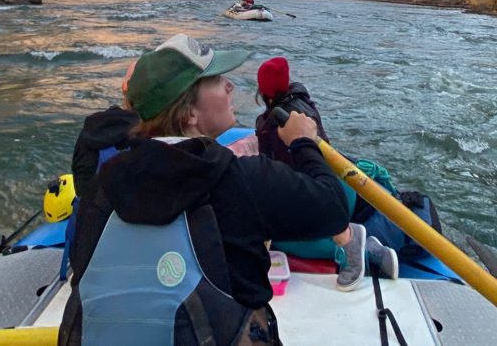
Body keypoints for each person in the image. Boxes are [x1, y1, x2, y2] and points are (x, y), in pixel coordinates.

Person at [61, 35, 350, 345]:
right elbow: (334, 209)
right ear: (190, 113)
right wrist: (303, 142)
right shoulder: (238, 178)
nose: (229, 86)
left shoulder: (101, 185)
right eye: (215, 79)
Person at [255, 56, 399, 287]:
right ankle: (369, 249)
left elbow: (279, 174)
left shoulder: (270, 123)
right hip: (343, 182)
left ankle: (350, 248)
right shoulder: (305, 104)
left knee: (276, 237)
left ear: (263, 92)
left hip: (326, 196)